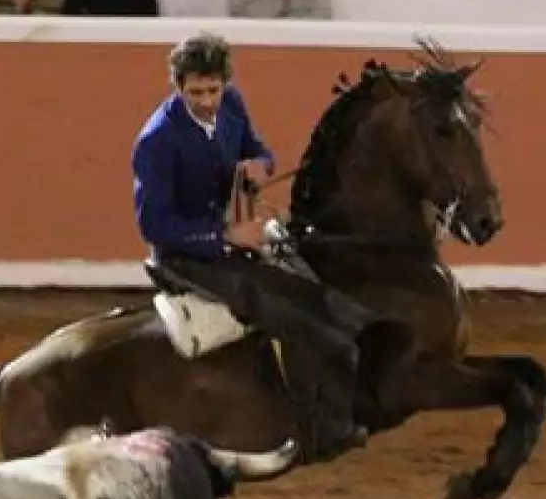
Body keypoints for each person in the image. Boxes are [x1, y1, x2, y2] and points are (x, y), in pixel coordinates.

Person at [132, 32, 372, 463]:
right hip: (186, 255)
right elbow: (154, 224)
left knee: (309, 275)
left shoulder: (232, 105)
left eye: (213, 90)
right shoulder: (157, 140)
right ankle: (321, 426)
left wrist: (262, 165)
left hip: (238, 230)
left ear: (224, 83)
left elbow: (255, 148)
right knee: (285, 302)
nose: (207, 101)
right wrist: (225, 236)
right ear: (178, 86)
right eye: (195, 93)